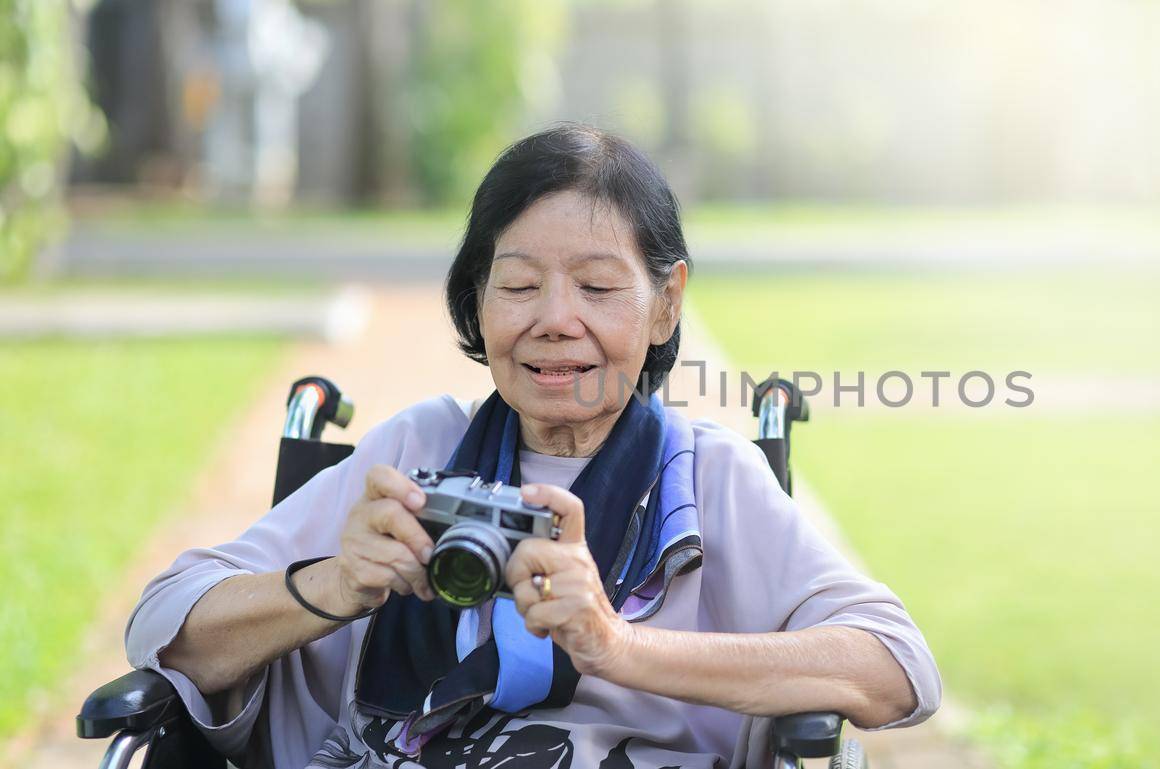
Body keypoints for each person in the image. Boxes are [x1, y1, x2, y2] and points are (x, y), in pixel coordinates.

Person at [125, 124, 940, 768]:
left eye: (596, 286)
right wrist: (334, 584)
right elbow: (166, 621)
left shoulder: (710, 475)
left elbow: (896, 665)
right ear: (478, 302)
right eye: (518, 285)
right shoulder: (417, 448)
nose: (555, 319)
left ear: (665, 303)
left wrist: (619, 646)